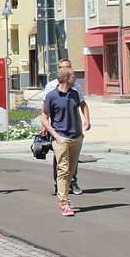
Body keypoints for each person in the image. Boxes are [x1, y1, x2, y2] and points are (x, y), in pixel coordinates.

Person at [40, 67, 88, 217]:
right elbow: (44, 118)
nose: (75, 78)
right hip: (61, 138)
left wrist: (85, 124)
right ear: (66, 78)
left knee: (71, 171)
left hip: (76, 137)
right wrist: (55, 135)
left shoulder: (74, 94)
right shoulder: (51, 96)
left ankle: (65, 196)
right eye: (73, 76)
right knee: (63, 169)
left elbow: (82, 107)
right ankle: (64, 202)